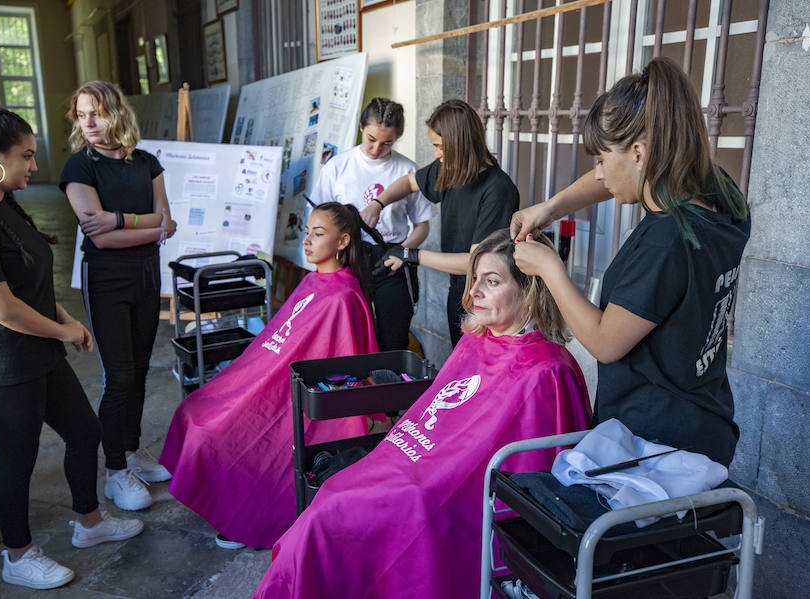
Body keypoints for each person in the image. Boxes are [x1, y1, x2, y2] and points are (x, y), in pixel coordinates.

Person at [253, 229, 592, 599]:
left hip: (444, 495)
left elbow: (527, 482)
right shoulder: (477, 340)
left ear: (530, 291)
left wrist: (424, 480)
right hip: (409, 466)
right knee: (329, 503)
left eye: (491, 282)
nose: (474, 291)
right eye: (474, 279)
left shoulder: (546, 373)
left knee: (332, 521)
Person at [0, 108, 144, 589]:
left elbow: (30, 280)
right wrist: (64, 332)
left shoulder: (1, 200)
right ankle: (18, 555)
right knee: (17, 462)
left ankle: (89, 524)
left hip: (36, 351)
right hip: (1, 363)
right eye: (26, 156)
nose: (34, 165)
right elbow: (2, 308)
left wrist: (65, 317)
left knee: (84, 432)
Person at [510, 57, 751, 466]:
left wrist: (550, 268)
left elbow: (606, 343)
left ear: (639, 152)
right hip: (704, 423)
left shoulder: (667, 241)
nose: (599, 174)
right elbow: (610, 180)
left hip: (656, 444)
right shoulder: (721, 198)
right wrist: (551, 208)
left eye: (601, 159)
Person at [160, 202, 381, 550]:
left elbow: (342, 364)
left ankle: (240, 515)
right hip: (266, 377)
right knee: (196, 409)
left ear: (343, 241)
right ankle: (223, 499)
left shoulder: (342, 296)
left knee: (215, 429)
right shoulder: (314, 280)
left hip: (288, 393)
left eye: (318, 234)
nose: (307, 241)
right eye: (307, 232)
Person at [60, 80, 177, 511]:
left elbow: (167, 223)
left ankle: (130, 450)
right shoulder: (80, 167)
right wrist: (142, 226)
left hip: (147, 274)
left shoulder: (146, 162)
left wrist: (118, 218)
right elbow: (101, 240)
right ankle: (114, 471)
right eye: (82, 113)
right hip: (106, 278)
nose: (88, 122)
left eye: (97, 112)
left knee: (142, 369)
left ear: (117, 113)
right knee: (120, 375)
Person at [361, 99, 520, 347]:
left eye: (440, 147)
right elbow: (409, 182)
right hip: (458, 292)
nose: (436, 154)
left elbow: (476, 262)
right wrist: (378, 204)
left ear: (462, 145)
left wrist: (412, 254)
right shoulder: (451, 168)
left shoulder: (497, 190)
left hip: (487, 300)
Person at [309, 97, 433, 350]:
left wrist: (403, 253)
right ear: (361, 128)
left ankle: (390, 385)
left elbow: (422, 226)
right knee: (349, 337)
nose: (377, 149)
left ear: (397, 138)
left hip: (393, 259)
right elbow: (318, 223)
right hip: (347, 259)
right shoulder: (337, 167)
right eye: (371, 140)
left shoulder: (406, 169)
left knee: (393, 335)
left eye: (387, 143)